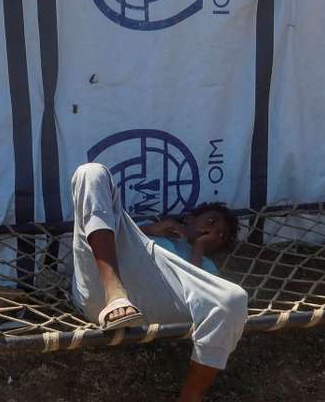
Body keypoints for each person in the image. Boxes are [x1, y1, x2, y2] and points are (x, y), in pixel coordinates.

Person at [70, 163, 249, 402]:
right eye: (212, 221)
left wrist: (196, 249)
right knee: (91, 172)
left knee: (234, 299)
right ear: (189, 218)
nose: (215, 230)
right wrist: (150, 230)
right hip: (102, 288)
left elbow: (202, 306)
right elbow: (107, 230)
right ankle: (114, 292)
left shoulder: (207, 268)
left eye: (221, 234)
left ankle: (189, 397)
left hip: (153, 303)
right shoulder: (145, 235)